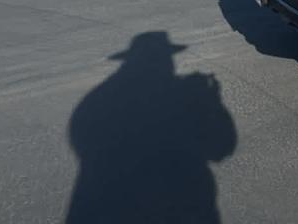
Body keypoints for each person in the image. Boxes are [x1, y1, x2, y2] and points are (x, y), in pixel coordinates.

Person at [66, 31, 236, 223]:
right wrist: (212, 99)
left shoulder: (92, 101)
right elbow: (222, 149)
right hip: (181, 202)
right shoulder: (182, 95)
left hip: (109, 205)